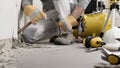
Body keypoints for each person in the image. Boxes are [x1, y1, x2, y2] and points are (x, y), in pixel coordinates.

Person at [21, 0, 90, 45]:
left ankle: (66, 33)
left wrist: (71, 18)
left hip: (71, 11)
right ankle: (57, 31)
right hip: (51, 13)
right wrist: (27, 6)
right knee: (28, 35)